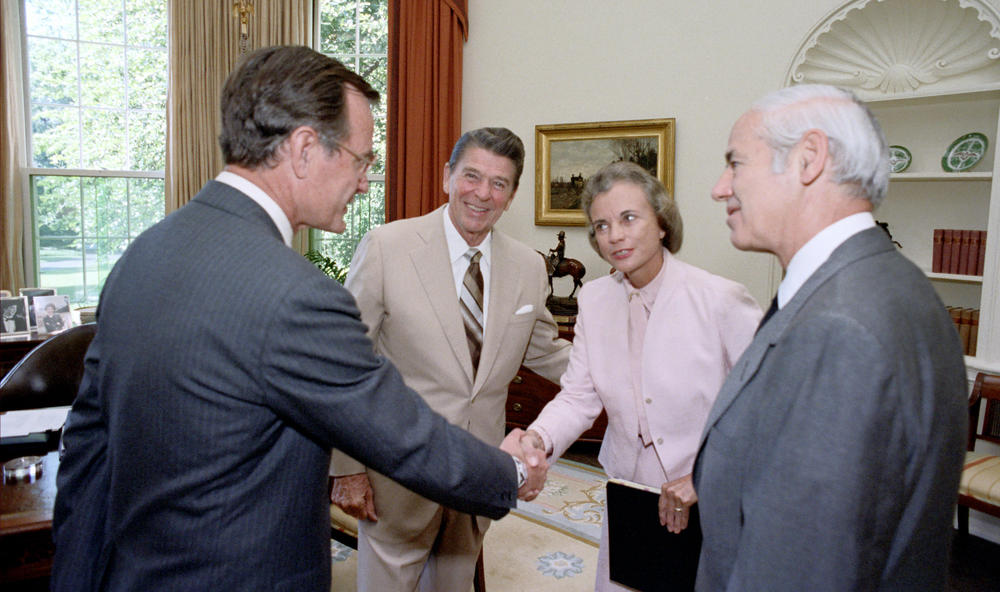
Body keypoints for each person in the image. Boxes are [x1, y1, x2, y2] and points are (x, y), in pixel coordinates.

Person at [51, 46, 544, 592]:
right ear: (307, 149)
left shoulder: (144, 253)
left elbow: (87, 449)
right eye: (361, 161)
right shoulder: (295, 295)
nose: (362, 183)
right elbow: (403, 434)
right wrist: (513, 472)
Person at [693, 84, 967, 590]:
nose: (720, 187)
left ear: (808, 158)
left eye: (736, 163)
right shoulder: (893, 286)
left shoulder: (837, 329)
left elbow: (800, 567)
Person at [329, 127, 572, 591]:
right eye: (471, 176)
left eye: (499, 184)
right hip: (396, 474)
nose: (483, 194)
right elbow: (345, 361)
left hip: (478, 471)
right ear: (447, 177)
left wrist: (621, 371)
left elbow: (544, 349)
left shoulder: (527, 265)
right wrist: (347, 468)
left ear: (512, 194)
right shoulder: (386, 247)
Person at [521, 161, 761, 591]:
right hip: (628, 487)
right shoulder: (594, 300)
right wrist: (537, 440)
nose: (614, 234)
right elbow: (578, 397)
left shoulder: (720, 300)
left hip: (707, 494)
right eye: (601, 225)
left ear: (663, 222)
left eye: (628, 218)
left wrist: (704, 478)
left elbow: (767, 410)